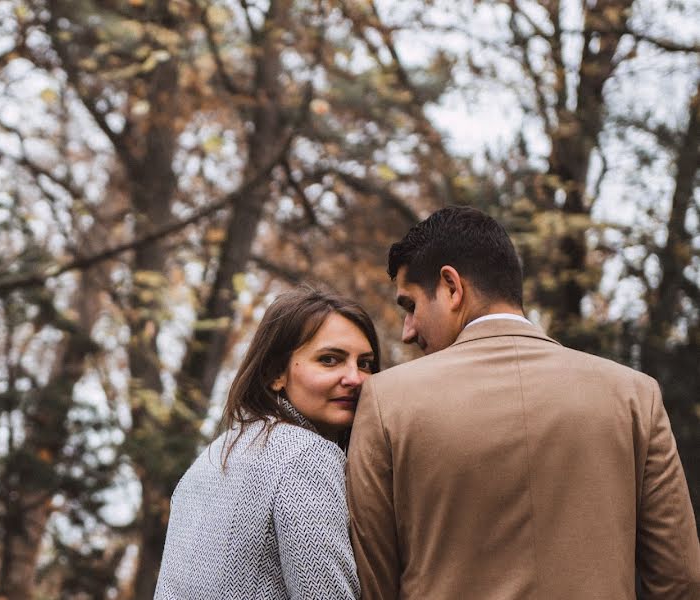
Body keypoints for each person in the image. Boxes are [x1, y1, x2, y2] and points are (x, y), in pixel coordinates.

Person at [346, 206, 700, 599]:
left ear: (451, 286)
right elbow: (680, 579)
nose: (408, 332)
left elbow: (374, 586)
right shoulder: (635, 396)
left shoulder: (385, 402)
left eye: (410, 306)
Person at [155, 287, 380, 599]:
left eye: (365, 364)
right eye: (330, 360)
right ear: (276, 373)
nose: (355, 378)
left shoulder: (214, 455)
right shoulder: (305, 456)